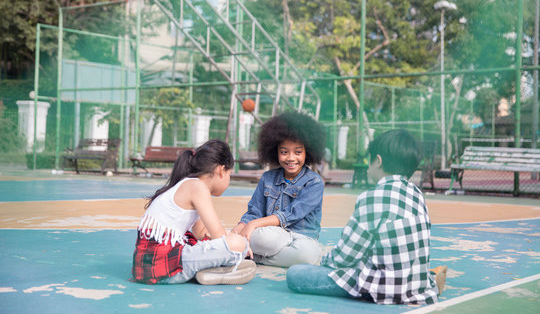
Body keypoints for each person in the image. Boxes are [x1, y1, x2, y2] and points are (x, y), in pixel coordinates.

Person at [286, 129, 447, 305]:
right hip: (416, 282)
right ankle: (429, 276)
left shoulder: (373, 197)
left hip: (381, 286)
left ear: (378, 161)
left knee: (296, 274)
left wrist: (322, 261)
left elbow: (345, 256)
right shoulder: (416, 194)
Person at [131, 139, 256, 285]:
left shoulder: (189, 184)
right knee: (237, 243)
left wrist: (224, 237)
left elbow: (201, 232)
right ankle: (215, 272)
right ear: (221, 171)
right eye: (229, 174)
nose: (229, 180)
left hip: (149, 267)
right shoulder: (197, 187)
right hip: (163, 268)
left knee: (225, 241)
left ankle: (209, 272)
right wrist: (242, 245)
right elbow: (219, 236)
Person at [232, 111, 326, 267]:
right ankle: (267, 254)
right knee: (264, 238)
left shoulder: (314, 182)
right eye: (284, 152)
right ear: (275, 151)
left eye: (298, 152)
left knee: (307, 256)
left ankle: (256, 258)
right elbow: (254, 212)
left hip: (303, 237)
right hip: (272, 235)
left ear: (307, 152)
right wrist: (238, 230)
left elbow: (291, 214)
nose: (290, 158)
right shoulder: (267, 178)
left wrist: (253, 226)